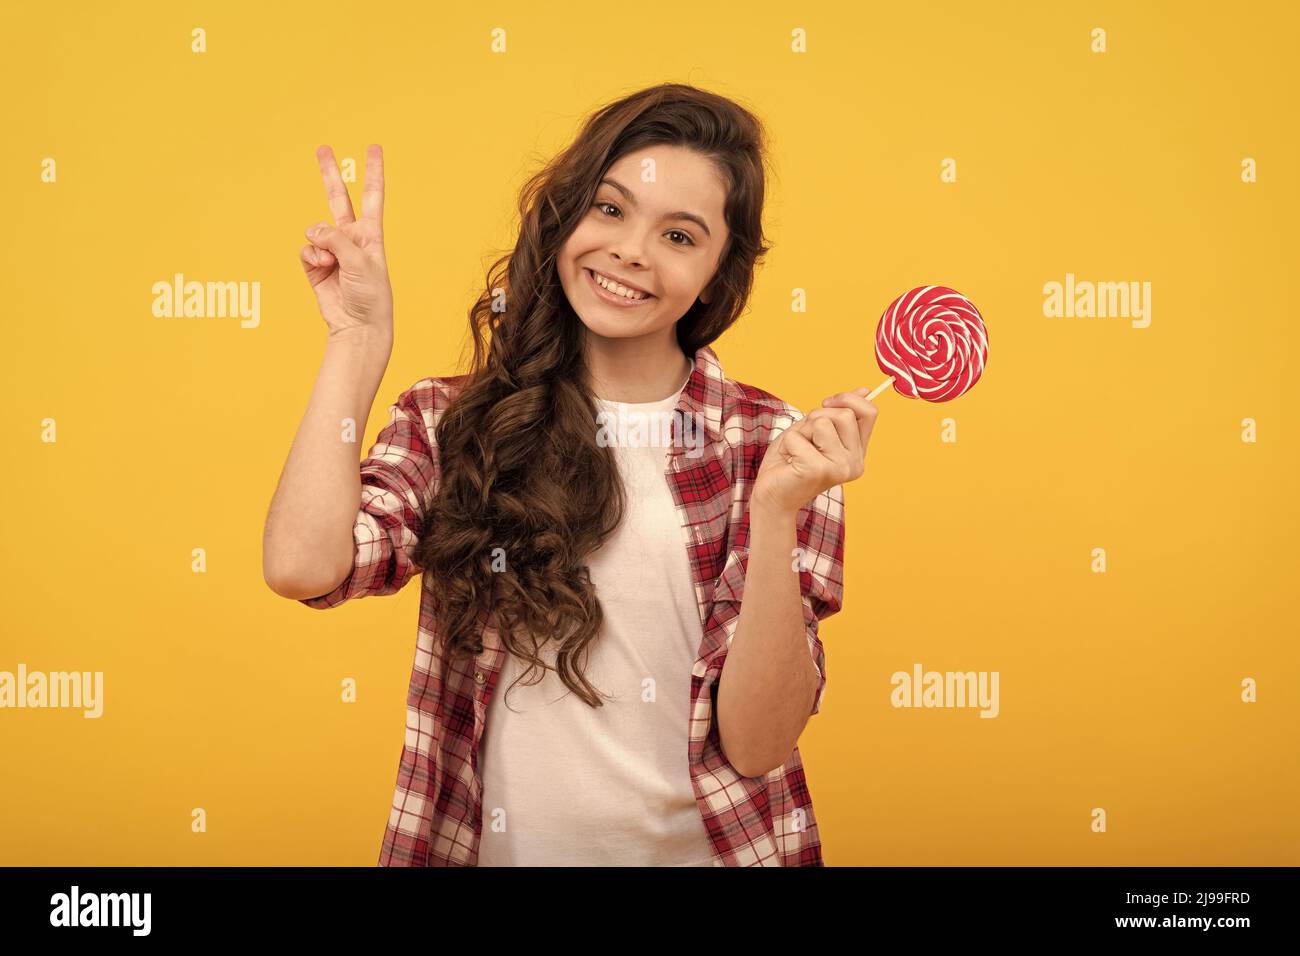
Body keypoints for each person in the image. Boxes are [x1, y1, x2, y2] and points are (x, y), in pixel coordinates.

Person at [262, 82, 878, 867]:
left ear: (720, 273)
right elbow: (301, 566)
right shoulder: (454, 423)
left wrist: (776, 513)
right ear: (564, 215)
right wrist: (355, 339)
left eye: (681, 236)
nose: (630, 251)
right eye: (612, 209)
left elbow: (757, 746)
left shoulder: (771, 445)